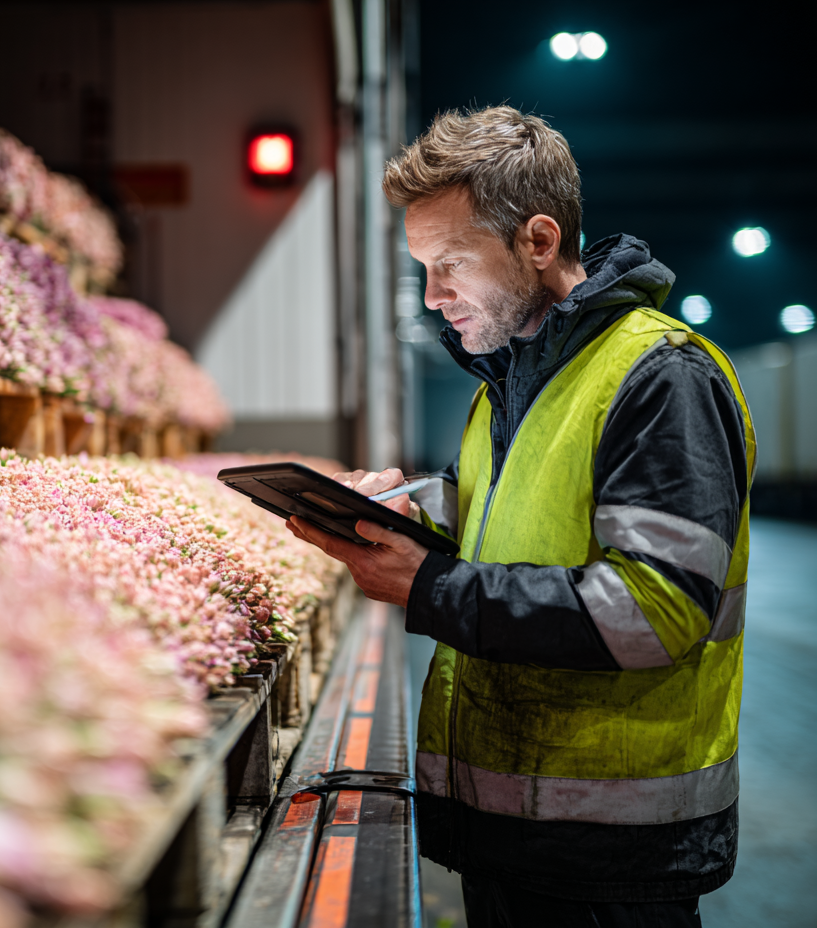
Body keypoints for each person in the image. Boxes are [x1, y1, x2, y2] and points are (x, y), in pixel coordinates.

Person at [286, 106, 753, 927]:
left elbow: (656, 612)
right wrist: (405, 510)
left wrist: (429, 585)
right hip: (515, 827)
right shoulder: (509, 383)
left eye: (451, 264)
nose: (434, 298)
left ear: (538, 242)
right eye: (422, 268)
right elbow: (519, 520)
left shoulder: (660, 377)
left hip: (608, 853)